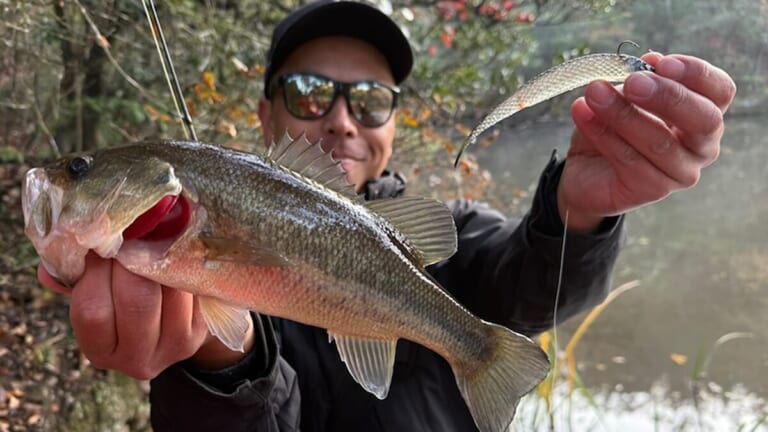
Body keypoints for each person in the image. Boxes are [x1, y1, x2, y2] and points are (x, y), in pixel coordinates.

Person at [38, 1, 736, 431]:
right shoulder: (191, 224)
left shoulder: (453, 237)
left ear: (393, 123)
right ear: (266, 114)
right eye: (309, 94)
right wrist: (220, 366)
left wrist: (577, 214)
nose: (341, 122)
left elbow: (526, 285)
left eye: (369, 100)